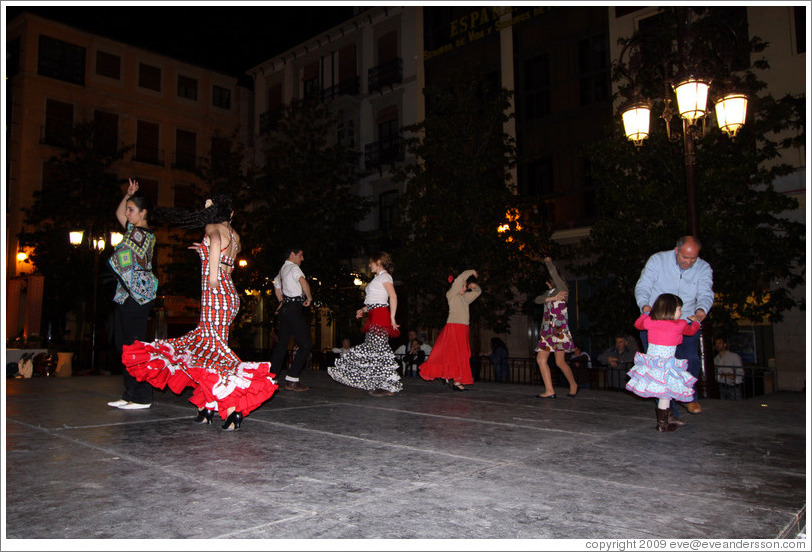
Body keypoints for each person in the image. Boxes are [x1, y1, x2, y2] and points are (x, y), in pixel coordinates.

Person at [121, 195, 277, 430]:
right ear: (231, 215)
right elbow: (224, 253)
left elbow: (215, 242)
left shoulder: (212, 226)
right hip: (229, 295)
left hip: (216, 295)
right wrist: (203, 252)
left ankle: (233, 409)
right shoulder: (235, 235)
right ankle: (207, 405)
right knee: (209, 350)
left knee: (215, 353)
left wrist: (212, 276)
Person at [635, 236, 713, 415]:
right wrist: (645, 306)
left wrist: (701, 310)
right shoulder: (658, 260)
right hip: (657, 324)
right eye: (685, 257)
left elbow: (706, 292)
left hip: (684, 322)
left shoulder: (703, 268)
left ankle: (687, 396)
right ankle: (669, 413)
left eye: (693, 258)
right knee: (659, 369)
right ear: (676, 251)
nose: (689, 262)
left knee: (691, 360)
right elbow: (643, 285)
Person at [106, 179, 159, 410]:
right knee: (123, 345)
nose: (127, 214)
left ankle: (142, 396)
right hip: (126, 293)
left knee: (135, 346)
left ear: (143, 212)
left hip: (139, 294)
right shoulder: (132, 230)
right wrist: (127, 195)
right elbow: (118, 213)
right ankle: (129, 393)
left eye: (132, 210)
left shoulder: (143, 234)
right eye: (128, 209)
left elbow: (123, 255)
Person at [328, 252, 402, 396]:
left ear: (378, 262)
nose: (369, 265)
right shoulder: (378, 278)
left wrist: (392, 318)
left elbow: (393, 296)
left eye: (371, 262)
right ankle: (381, 384)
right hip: (374, 314)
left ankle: (386, 385)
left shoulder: (385, 276)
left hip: (380, 315)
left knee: (378, 349)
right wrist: (363, 309)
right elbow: (374, 300)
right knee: (374, 349)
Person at [626, 293, 701, 432]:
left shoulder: (651, 322)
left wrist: (646, 313)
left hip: (653, 364)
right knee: (666, 393)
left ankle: (666, 420)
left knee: (665, 393)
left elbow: (638, 324)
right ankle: (662, 423)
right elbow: (691, 331)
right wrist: (696, 321)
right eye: (679, 309)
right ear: (670, 309)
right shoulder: (680, 324)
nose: (682, 312)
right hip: (667, 365)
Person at [419, 270, 482, 391]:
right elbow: (459, 279)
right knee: (450, 354)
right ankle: (446, 376)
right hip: (453, 328)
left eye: (465, 285)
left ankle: (457, 381)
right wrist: (471, 272)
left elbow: (478, 292)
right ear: (456, 286)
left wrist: (475, 286)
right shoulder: (451, 295)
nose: (464, 287)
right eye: (463, 285)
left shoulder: (465, 298)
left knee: (461, 356)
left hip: (463, 329)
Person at [534, 257, 578, 399]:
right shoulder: (548, 294)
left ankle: (573, 384)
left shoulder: (563, 289)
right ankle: (549, 390)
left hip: (559, 331)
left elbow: (554, 274)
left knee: (560, 361)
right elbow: (537, 299)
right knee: (541, 359)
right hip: (547, 331)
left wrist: (548, 262)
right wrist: (551, 299)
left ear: (548, 281)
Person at [270, 247, 313, 391]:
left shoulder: (282, 270)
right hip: (293, 308)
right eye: (300, 255)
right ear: (292, 255)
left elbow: (276, 286)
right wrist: (309, 298)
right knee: (305, 344)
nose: (302, 259)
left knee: (282, 343)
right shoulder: (294, 268)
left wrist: (281, 302)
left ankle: (272, 378)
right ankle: (292, 378)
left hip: (285, 308)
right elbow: (303, 282)